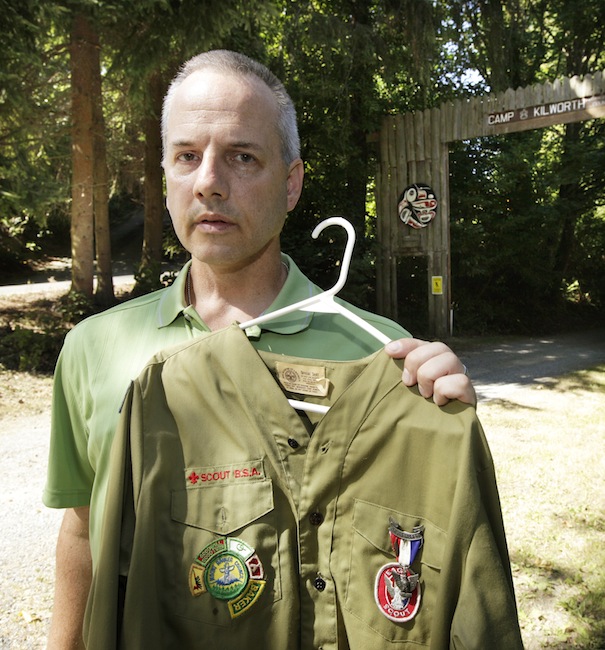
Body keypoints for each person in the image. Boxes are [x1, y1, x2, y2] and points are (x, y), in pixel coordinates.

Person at [44, 50, 478, 649]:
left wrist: (445, 411)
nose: (209, 182)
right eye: (187, 156)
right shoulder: (96, 350)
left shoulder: (379, 353)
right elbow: (83, 533)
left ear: (292, 183)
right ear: (166, 174)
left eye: (242, 157)